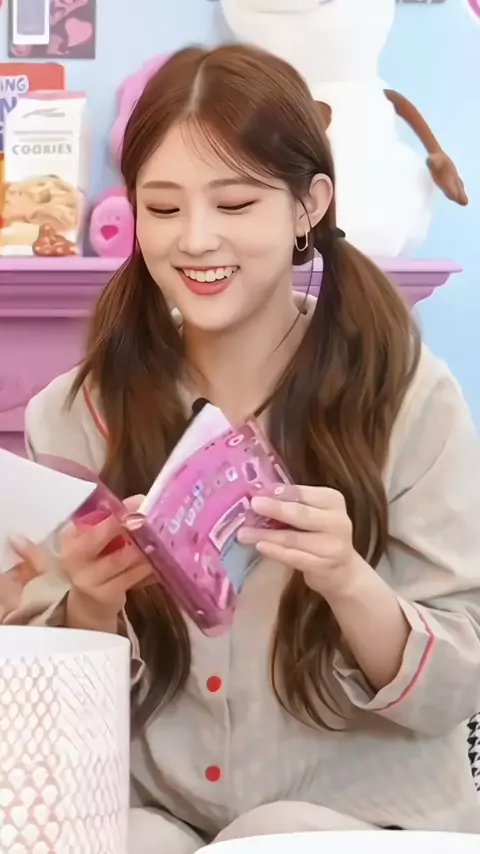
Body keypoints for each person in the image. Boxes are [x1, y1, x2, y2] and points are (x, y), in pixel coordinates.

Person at [6, 44, 480, 850]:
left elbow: (460, 683)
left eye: (234, 204)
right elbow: (42, 713)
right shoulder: (75, 414)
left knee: (277, 835)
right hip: (161, 812)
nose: (195, 240)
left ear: (307, 207)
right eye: (163, 209)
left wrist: (347, 579)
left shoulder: (406, 395)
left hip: (367, 816)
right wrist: (89, 604)